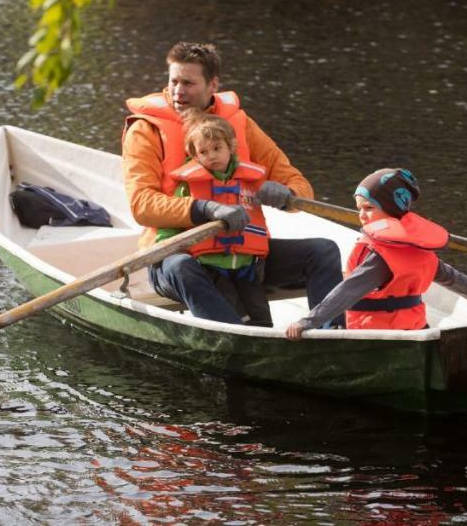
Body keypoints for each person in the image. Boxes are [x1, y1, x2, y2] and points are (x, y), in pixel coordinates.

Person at [122, 41, 344, 326]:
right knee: (182, 267)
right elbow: (142, 205)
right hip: (177, 254)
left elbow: (297, 183)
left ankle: (328, 335)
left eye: (188, 83)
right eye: (173, 81)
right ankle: (239, 344)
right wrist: (206, 208)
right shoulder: (146, 130)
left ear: (212, 84)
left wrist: (287, 194)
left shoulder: (238, 124)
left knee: (323, 251)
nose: (178, 91)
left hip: (243, 255)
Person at [285, 168, 467, 339]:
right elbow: (453, 279)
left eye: (369, 208)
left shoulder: (379, 258)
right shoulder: (421, 250)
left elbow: (347, 292)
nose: (361, 215)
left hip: (374, 336)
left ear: (391, 209)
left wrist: (307, 321)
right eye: (359, 208)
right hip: (416, 329)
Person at [159, 115, 273, 326]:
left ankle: (269, 344)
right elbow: (173, 219)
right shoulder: (187, 187)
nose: (211, 156)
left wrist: (283, 193)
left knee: (262, 318)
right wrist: (163, 242)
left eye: (217, 148)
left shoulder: (250, 180)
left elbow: (265, 209)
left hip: (247, 266)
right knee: (235, 318)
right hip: (212, 268)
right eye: (203, 152)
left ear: (231, 147)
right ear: (195, 156)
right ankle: (238, 346)